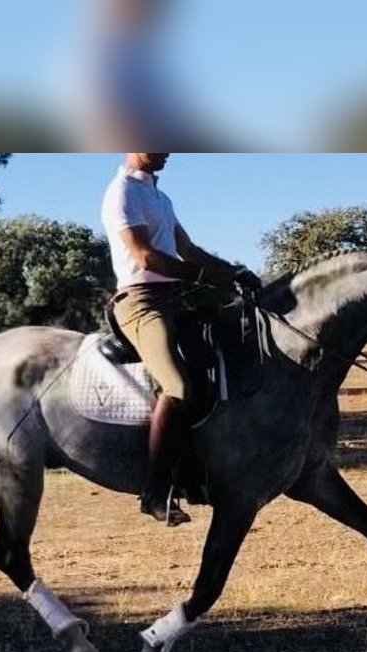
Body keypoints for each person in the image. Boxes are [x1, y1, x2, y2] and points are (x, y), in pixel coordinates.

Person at [101, 152, 262, 525]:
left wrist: (233, 272)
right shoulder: (122, 193)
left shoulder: (160, 197)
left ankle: (204, 470)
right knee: (178, 387)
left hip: (176, 298)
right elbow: (146, 257)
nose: (169, 151)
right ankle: (154, 492)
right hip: (140, 303)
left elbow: (187, 251)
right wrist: (209, 279)